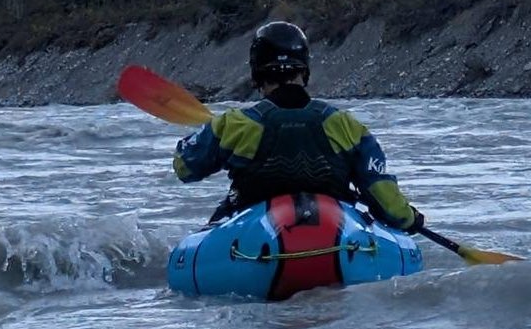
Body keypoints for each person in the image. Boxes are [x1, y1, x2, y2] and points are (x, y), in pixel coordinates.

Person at [172, 21, 425, 232]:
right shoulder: (346, 124)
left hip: (253, 237)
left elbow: (185, 168)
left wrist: (202, 133)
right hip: (336, 235)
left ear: (256, 74)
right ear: (304, 70)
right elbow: (381, 191)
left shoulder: (233, 124)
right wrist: (410, 219)